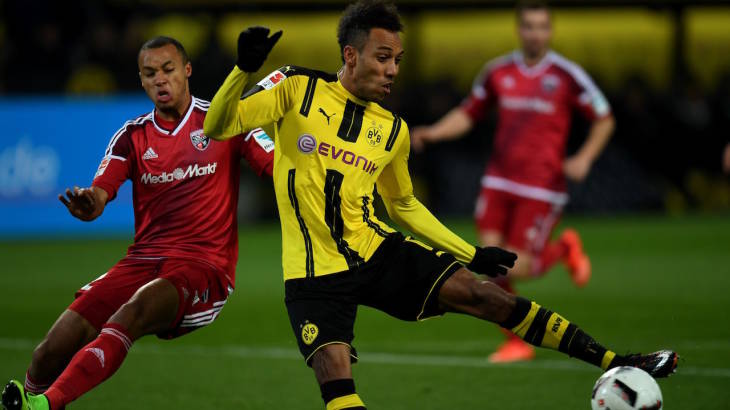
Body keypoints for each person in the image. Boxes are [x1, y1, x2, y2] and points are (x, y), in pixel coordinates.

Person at [204, 1, 676, 408]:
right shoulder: (295, 88)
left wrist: (472, 254)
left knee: (487, 296)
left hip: (378, 252)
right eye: (383, 58)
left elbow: (403, 205)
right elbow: (218, 126)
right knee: (335, 379)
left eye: (397, 60)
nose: (393, 70)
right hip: (312, 275)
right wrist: (242, 70)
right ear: (350, 55)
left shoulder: (392, 129)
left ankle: (618, 361)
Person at [1, 36, 274, 410]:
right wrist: (90, 203)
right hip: (143, 262)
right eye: (150, 73)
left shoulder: (225, 119)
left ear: (187, 71)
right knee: (51, 349)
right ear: (141, 81)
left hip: (203, 267)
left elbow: (277, 168)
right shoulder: (132, 136)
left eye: (168, 69)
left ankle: (46, 405)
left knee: (131, 313)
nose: (160, 79)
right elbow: (101, 191)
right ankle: (31, 400)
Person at [411, 0, 616, 363]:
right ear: (519, 30)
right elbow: (469, 113)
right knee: (491, 263)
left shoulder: (567, 75)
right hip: (499, 181)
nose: (535, 33)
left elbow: (604, 118)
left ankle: (562, 249)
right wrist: (434, 132)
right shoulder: (498, 72)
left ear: (549, 31)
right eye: (529, 26)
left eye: (542, 26)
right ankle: (516, 341)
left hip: (542, 186)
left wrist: (584, 158)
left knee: (519, 267)